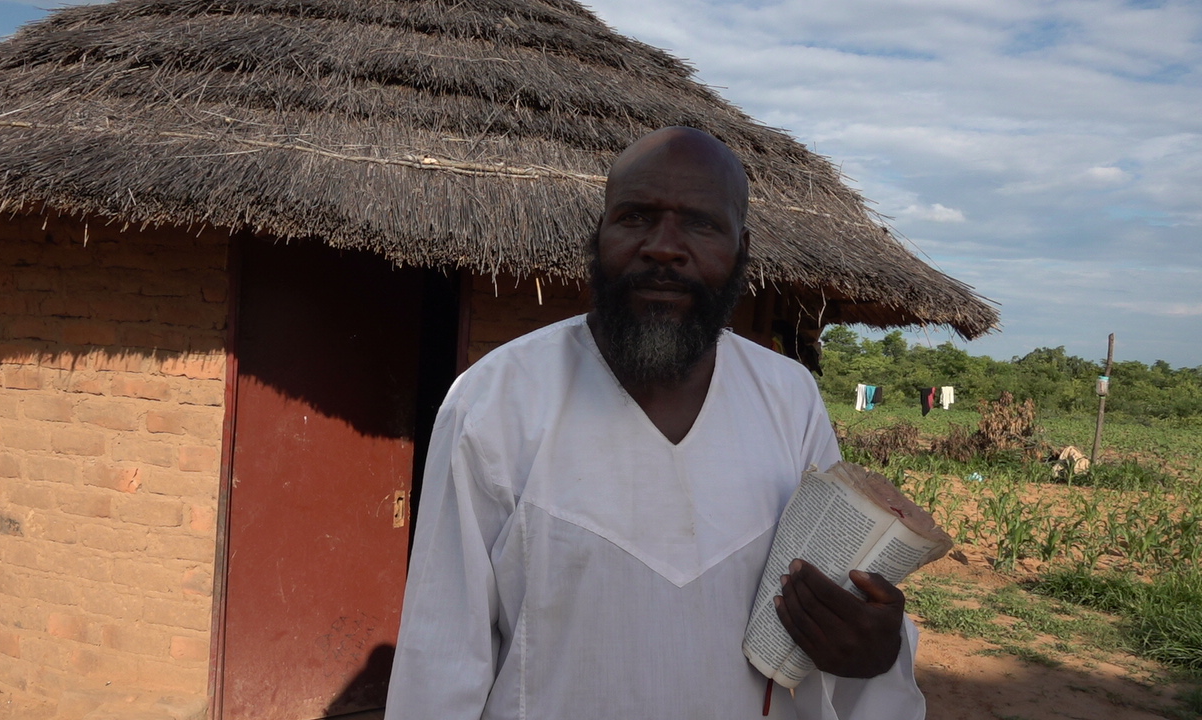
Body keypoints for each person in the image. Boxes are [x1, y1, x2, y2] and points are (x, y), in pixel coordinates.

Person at [384, 127, 925, 719]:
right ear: (600, 235)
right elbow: (440, 656)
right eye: (636, 217)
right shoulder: (494, 399)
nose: (663, 247)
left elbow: (827, 614)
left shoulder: (788, 397)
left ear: (740, 250)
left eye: (700, 223)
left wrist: (875, 650)